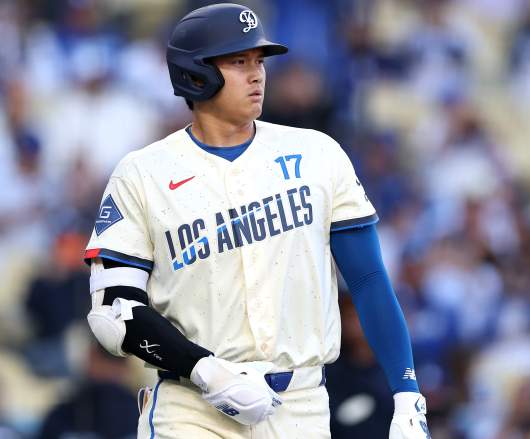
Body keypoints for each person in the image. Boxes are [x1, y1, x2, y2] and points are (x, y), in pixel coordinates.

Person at [82, 3, 429, 438]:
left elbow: (368, 279)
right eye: (238, 61)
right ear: (195, 73)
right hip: (193, 408)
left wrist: (405, 392)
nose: (256, 74)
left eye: (259, 61)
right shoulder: (143, 173)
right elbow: (114, 313)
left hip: (302, 406)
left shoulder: (318, 154)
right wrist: (205, 371)